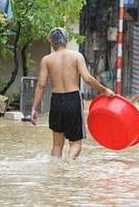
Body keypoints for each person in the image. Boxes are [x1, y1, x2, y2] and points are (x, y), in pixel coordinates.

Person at [30, 27, 114, 159]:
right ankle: (69, 165)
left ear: (52, 43)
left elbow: (41, 85)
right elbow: (87, 79)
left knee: (57, 145)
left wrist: (34, 108)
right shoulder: (76, 56)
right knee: (75, 143)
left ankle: (57, 171)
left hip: (56, 101)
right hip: (73, 100)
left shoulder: (46, 60)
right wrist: (104, 90)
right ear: (67, 41)